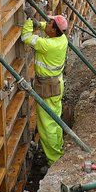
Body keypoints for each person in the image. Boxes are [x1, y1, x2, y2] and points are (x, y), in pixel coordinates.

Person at [21, 10, 69, 166]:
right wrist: (39, 24)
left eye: (49, 23)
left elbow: (26, 37)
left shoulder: (47, 45)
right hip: (56, 85)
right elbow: (48, 27)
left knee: (46, 124)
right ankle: (58, 148)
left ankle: (54, 159)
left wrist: (29, 23)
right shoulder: (62, 40)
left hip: (47, 87)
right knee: (55, 118)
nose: (46, 24)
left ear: (54, 30)